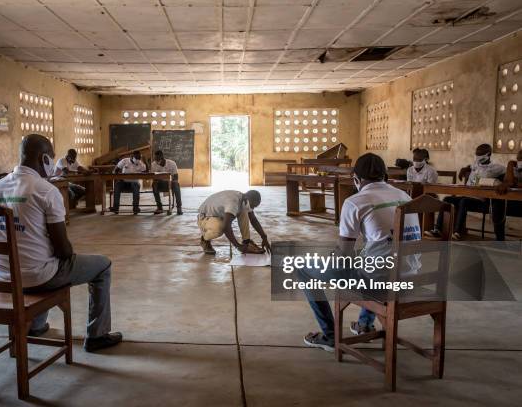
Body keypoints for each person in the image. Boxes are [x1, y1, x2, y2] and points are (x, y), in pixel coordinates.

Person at [0, 134, 122, 352]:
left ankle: (36, 325)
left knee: (34, 256)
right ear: (44, 159)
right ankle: (97, 335)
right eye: (51, 157)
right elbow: (63, 250)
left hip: (2, 276)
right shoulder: (45, 190)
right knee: (101, 266)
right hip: (37, 277)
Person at [300, 153, 421, 351]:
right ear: (386, 177)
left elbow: (344, 256)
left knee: (305, 270)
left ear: (356, 178)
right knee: (374, 259)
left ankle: (330, 336)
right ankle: (364, 325)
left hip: (381, 280)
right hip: (411, 274)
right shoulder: (405, 197)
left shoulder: (355, 201)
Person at [426, 144, 505, 240]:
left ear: (488, 154)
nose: (478, 156)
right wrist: (465, 168)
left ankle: (457, 232)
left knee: (464, 202)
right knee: (447, 199)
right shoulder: (475, 165)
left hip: (481, 200)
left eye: (480, 154)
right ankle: (438, 229)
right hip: (468, 195)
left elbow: (508, 175)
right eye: (477, 154)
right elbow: (471, 167)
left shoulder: (496, 168)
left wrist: (503, 183)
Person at [197, 190, 270, 255]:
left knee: (244, 210)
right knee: (219, 228)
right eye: (253, 206)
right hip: (205, 217)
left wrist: (264, 237)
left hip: (219, 214)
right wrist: (238, 246)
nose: (252, 208)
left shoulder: (244, 199)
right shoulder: (233, 203)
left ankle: (247, 242)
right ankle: (205, 240)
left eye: (254, 207)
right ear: (246, 199)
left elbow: (253, 219)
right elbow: (226, 228)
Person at [492, 150, 522, 241]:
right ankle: (500, 239)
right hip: (515, 203)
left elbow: (513, 184)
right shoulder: (515, 168)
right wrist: (510, 165)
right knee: (497, 205)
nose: (520, 162)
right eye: (519, 160)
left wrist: (516, 184)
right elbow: (508, 181)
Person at [111, 150, 146, 215]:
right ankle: (116, 207)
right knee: (117, 185)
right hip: (124, 182)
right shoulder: (125, 161)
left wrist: (145, 161)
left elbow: (146, 172)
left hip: (134, 183)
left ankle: (135, 208)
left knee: (136, 186)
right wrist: (119, 178)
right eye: (136, 158)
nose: (138, 159)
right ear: (132, 156)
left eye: (139, 158)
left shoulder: (141, 163)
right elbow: (116, 170)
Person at [151, 150, 182, 215]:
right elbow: (154, 178)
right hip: (161, 183)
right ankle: (159, 207)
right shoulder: (154, 164)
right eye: (155, 159)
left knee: (176, 184)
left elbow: (176, 177)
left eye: (158, 159)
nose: (157, 161)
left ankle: (179, 207)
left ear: (162, 157)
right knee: (154, 185)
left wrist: (169, 180)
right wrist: (157, 180)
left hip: (171, 183)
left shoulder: (172, 163)